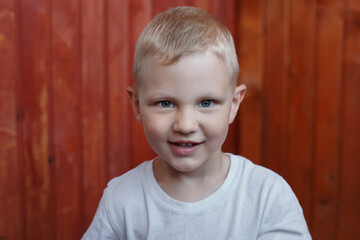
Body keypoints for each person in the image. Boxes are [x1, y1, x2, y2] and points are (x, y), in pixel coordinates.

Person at [82, 6, 311, 239]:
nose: (186, 125)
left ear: (233, 105)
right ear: (137, 105)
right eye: (165, 103)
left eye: (206, 102)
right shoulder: (120, 200)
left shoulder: (268, 197)